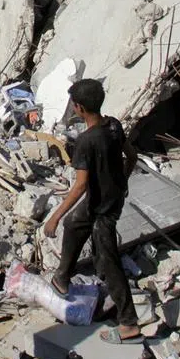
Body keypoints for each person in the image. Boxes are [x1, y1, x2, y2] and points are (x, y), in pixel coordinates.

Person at [43, 78, 141, 344]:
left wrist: (54, 216)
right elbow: (131, 157)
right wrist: (122, 182)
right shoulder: (114, 125)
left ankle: (128, 324)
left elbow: (80, 185)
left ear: (79, 107)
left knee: (109, 262)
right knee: (75, 224)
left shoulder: (87, 141)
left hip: (103, 209)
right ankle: (62, 278)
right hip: (109, 197)